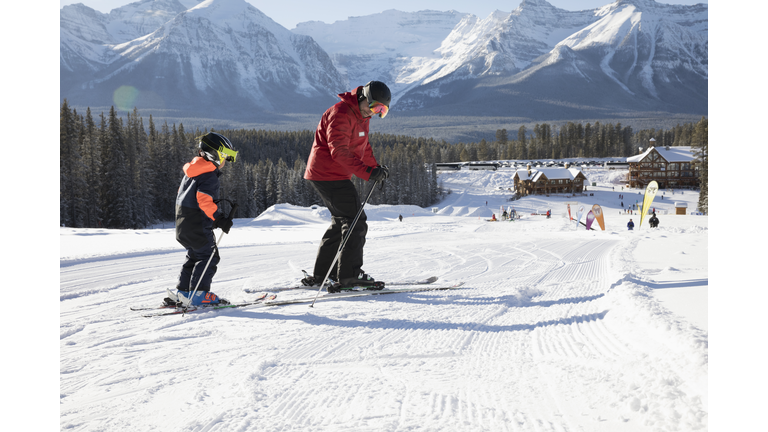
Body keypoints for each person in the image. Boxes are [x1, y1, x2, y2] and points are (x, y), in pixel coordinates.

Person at [300, 81, 391, 290]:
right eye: (376, 107)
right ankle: (349, 275)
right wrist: (368, 173)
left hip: (332, 174)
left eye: (382, 111)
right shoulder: (341, 113)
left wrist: (375, 168)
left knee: (341, 222)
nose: (375, 113)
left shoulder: (362, 116)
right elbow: (338, 151)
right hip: (328, 174)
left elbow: (363, 146)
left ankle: (324, 273)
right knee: (356, 222)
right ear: (364, 98)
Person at [164, 132, 238, 306]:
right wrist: (218, 218)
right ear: (215, 154)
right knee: (209, 256)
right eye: (225, 157)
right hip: (197, 224)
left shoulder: (192, 171)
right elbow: (204, 200)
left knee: (194, 255)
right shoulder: (208, 175)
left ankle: (183, 292)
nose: (225, 162)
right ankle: (199, 294)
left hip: (183, 224)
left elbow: (182, 196)